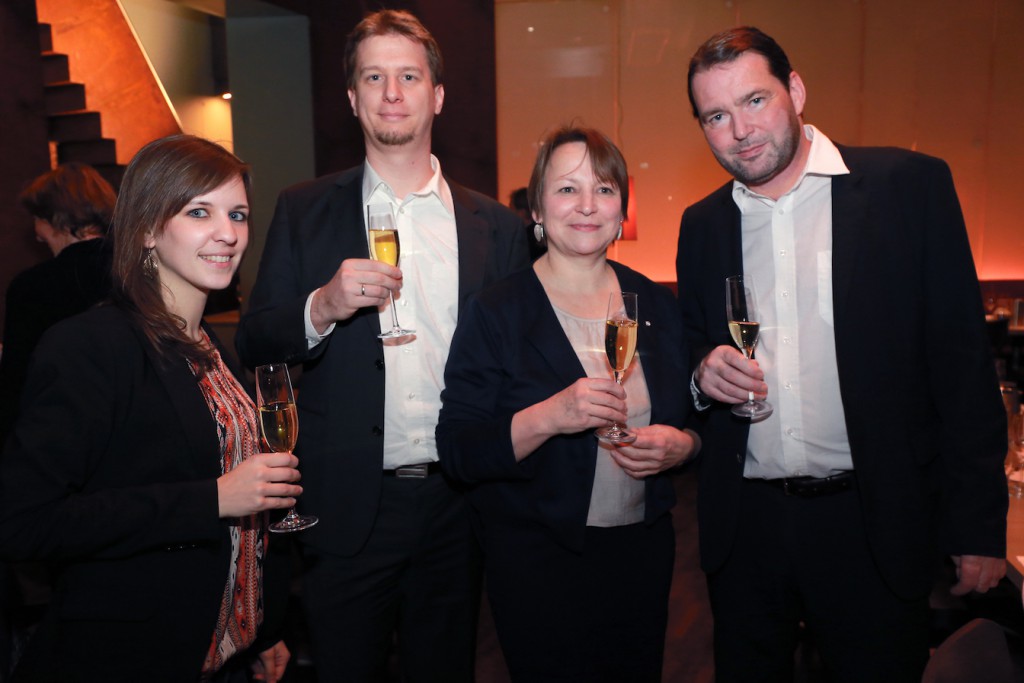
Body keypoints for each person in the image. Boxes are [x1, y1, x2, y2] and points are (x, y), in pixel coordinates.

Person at [675, 26, 1007, 682]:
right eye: (716, 115)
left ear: (795, 91)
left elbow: (962, 365)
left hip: (874, 520)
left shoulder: (908, 189)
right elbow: (690, 346)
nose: (739, 129)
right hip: (747, 530)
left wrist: (977, 525)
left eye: (755, 101)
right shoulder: (702, 223)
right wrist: (700, 372)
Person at [235, 9, 529, 682]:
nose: (392, 93)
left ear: (437, 95)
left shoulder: (496, 226)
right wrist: (323, 306)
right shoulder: (303, 208)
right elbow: (255, 336)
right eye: (375, 77)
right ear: (352, 98)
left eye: (408, 76)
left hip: (459, 504)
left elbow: (517, 363)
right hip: (345, 507)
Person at [0, 135, 301, 683]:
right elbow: (24, 522)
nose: (228, 233)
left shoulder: (210, 346)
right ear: (145, 229)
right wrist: (212, 499)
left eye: (237, 214)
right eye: (198, 212)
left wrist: (263, 625)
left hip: (221, 654)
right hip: (128, 656)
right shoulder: (91, 345)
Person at [437, 125, 698, 681]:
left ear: (620, 207)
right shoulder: (497, 310)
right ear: (536, 208)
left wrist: (686, 445)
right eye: (567, 189)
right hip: (539, 562)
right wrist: (552, 416)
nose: (587, 206)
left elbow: (694, 417)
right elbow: (460, 449)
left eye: (603, 190)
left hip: (641, 556)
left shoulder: (652, 301)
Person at [0, 162, 116, 446]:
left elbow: (18, 382)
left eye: (37, 218)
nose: (37, 232)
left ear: (54, 218)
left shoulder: (34, 286)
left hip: (66, 436)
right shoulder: (143, 269)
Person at [509, 186, 545, 260]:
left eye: (511, 209)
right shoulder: (544, 230)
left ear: (522, 213)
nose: (509, 213)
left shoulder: (522, 237)